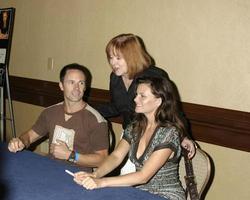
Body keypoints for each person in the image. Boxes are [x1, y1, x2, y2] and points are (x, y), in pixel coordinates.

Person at [95, 33, 195, 174]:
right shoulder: (115, 78)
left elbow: (172, 109)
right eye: (110, 57)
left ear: (132, 56)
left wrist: (184, 135)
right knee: (124, 177)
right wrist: (86, 109)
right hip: (131, 134)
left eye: (118, 58)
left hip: (155, 136)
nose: (113, 63)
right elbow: (116, 107)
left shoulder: (154, 76)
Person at [74, 76, 186, 200]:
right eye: (136, 94)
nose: (135, 99)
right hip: (139, 192)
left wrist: (102, 182)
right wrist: (96, 174)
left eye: (142, 96)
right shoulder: (135, 127)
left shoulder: (169, 133)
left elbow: (144, 176)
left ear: (159, 101)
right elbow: (116, 156)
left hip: (166, 195)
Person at [8, 63, 109, 172]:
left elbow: (103, 159)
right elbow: (29, 136)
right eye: (71, 82)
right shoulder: (50, 112)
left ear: (85, 87)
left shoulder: (96, 120)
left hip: (78, 176)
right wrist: (20, 141)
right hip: (49, 168)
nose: (77, 88)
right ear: (61, 85)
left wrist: (70, 155)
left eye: (81, 83)